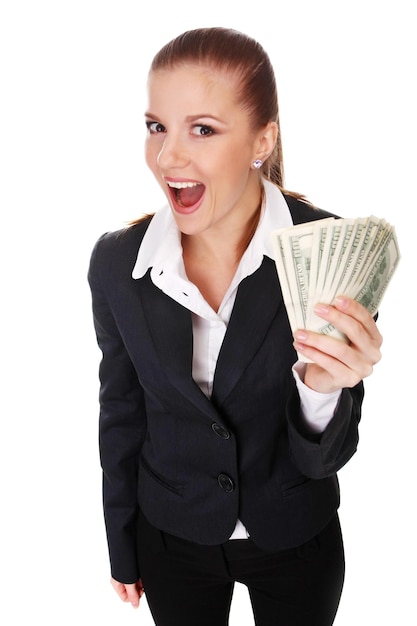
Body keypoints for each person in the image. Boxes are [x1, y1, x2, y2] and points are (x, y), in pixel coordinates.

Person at [88, 27, 382, 626]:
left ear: (262, 139)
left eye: (202, 129)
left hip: (296, 534)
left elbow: (329, 454)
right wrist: (122, 543)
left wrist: (324, 390)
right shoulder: (119, 264)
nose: (168, 156)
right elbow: (121, 410)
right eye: (156, 127)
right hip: (173, 533)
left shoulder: (332, 252)